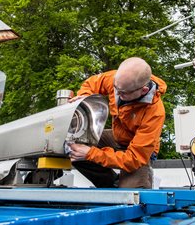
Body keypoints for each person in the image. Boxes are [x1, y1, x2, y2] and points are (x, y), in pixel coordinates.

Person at [68, 57, 167, 188]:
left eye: (123, 93)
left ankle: (132, 182)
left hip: (138, 151)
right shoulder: (117, 80)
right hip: (117, 137)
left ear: (143, 90)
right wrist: (85, 96)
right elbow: (91, 83)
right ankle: (112, 183)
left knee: (132, 195)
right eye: (115, 88)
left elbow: (134, 158)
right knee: (74, 144)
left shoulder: (154, 113)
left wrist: (91, 154)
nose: (117, 94)